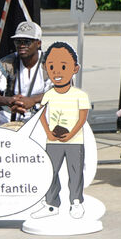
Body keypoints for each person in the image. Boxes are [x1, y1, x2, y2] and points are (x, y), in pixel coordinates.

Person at [32, 42, 89, 219]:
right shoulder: (48, 95)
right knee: (51, 170)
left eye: (63, 66)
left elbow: (82, 118)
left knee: (75, 171)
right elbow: (41, 114)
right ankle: (51, 203)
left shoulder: (80, 95)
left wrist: (71, 135)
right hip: (53, 141)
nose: (57, 72)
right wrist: (48, 132)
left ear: (75, 68)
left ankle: (76, 202)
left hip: (75, 141)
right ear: (45, 68)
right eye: (51, 67)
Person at [0, 21, 51, 126]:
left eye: (27, 42)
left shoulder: (51, 62)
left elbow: (64, 91)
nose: (22, 45)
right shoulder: (7, 62)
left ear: (38, 43)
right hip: (12, 112)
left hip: (40, 112)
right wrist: (9, 100)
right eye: (18, 42)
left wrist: (32, 100)